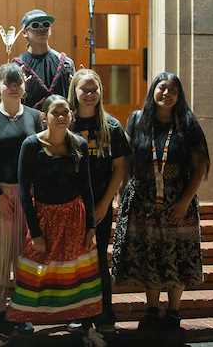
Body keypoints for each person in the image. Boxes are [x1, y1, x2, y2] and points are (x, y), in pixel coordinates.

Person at [0, 94, 103, 347]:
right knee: (31, 276)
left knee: (81, 274)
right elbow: (24, 191)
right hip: (44, 218)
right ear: (44, 117)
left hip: (75, 217)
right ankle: (4, 331)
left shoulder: (79, 144)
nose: (61, 117)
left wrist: (91, 225)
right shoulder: (31, 144)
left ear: (71, 116)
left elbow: (87, 188)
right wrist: (35, 232)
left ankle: (87, 328)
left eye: (65, 113)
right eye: (55, 113)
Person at [111, 73, 210, 332]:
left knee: (179, 255)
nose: (166, 93)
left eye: (173, 89)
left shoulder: (187, 123)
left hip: (178, 200)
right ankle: (152, 310)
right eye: (161, 87)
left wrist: (185, 200)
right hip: (143, 199)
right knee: (149, 254)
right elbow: (126, 160)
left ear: (180, 95)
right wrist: (121, 194)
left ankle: (174, 311)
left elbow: (200, 167)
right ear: (152, 90)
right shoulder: (137, 120)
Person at [0, 63, 42, 347]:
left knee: (23, 258)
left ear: (24, 86)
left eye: (18, 82)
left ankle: (20, 310)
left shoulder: (37, 117)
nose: (13, 87)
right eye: (7, 82)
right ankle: (1, 313)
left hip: (27, 198)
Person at [67, 69, 131, 332]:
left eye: (95, 89)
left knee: (98, 259)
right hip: (71, 206)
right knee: (75, 261)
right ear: (75, 92)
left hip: (100, 206)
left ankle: (105, 314)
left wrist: (106, 203)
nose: (90, 94)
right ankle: (79, 314)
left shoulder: (112, 126)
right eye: (85, 89)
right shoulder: (65, 124)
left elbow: (119, 168)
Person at [12, 9, 74, 109]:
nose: (41, 29)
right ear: (24, 33)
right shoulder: (18, 66)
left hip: (59, 121)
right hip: (29, 122)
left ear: (50, 30)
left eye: (45, 24)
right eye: (35, 25)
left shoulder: (65, 63)